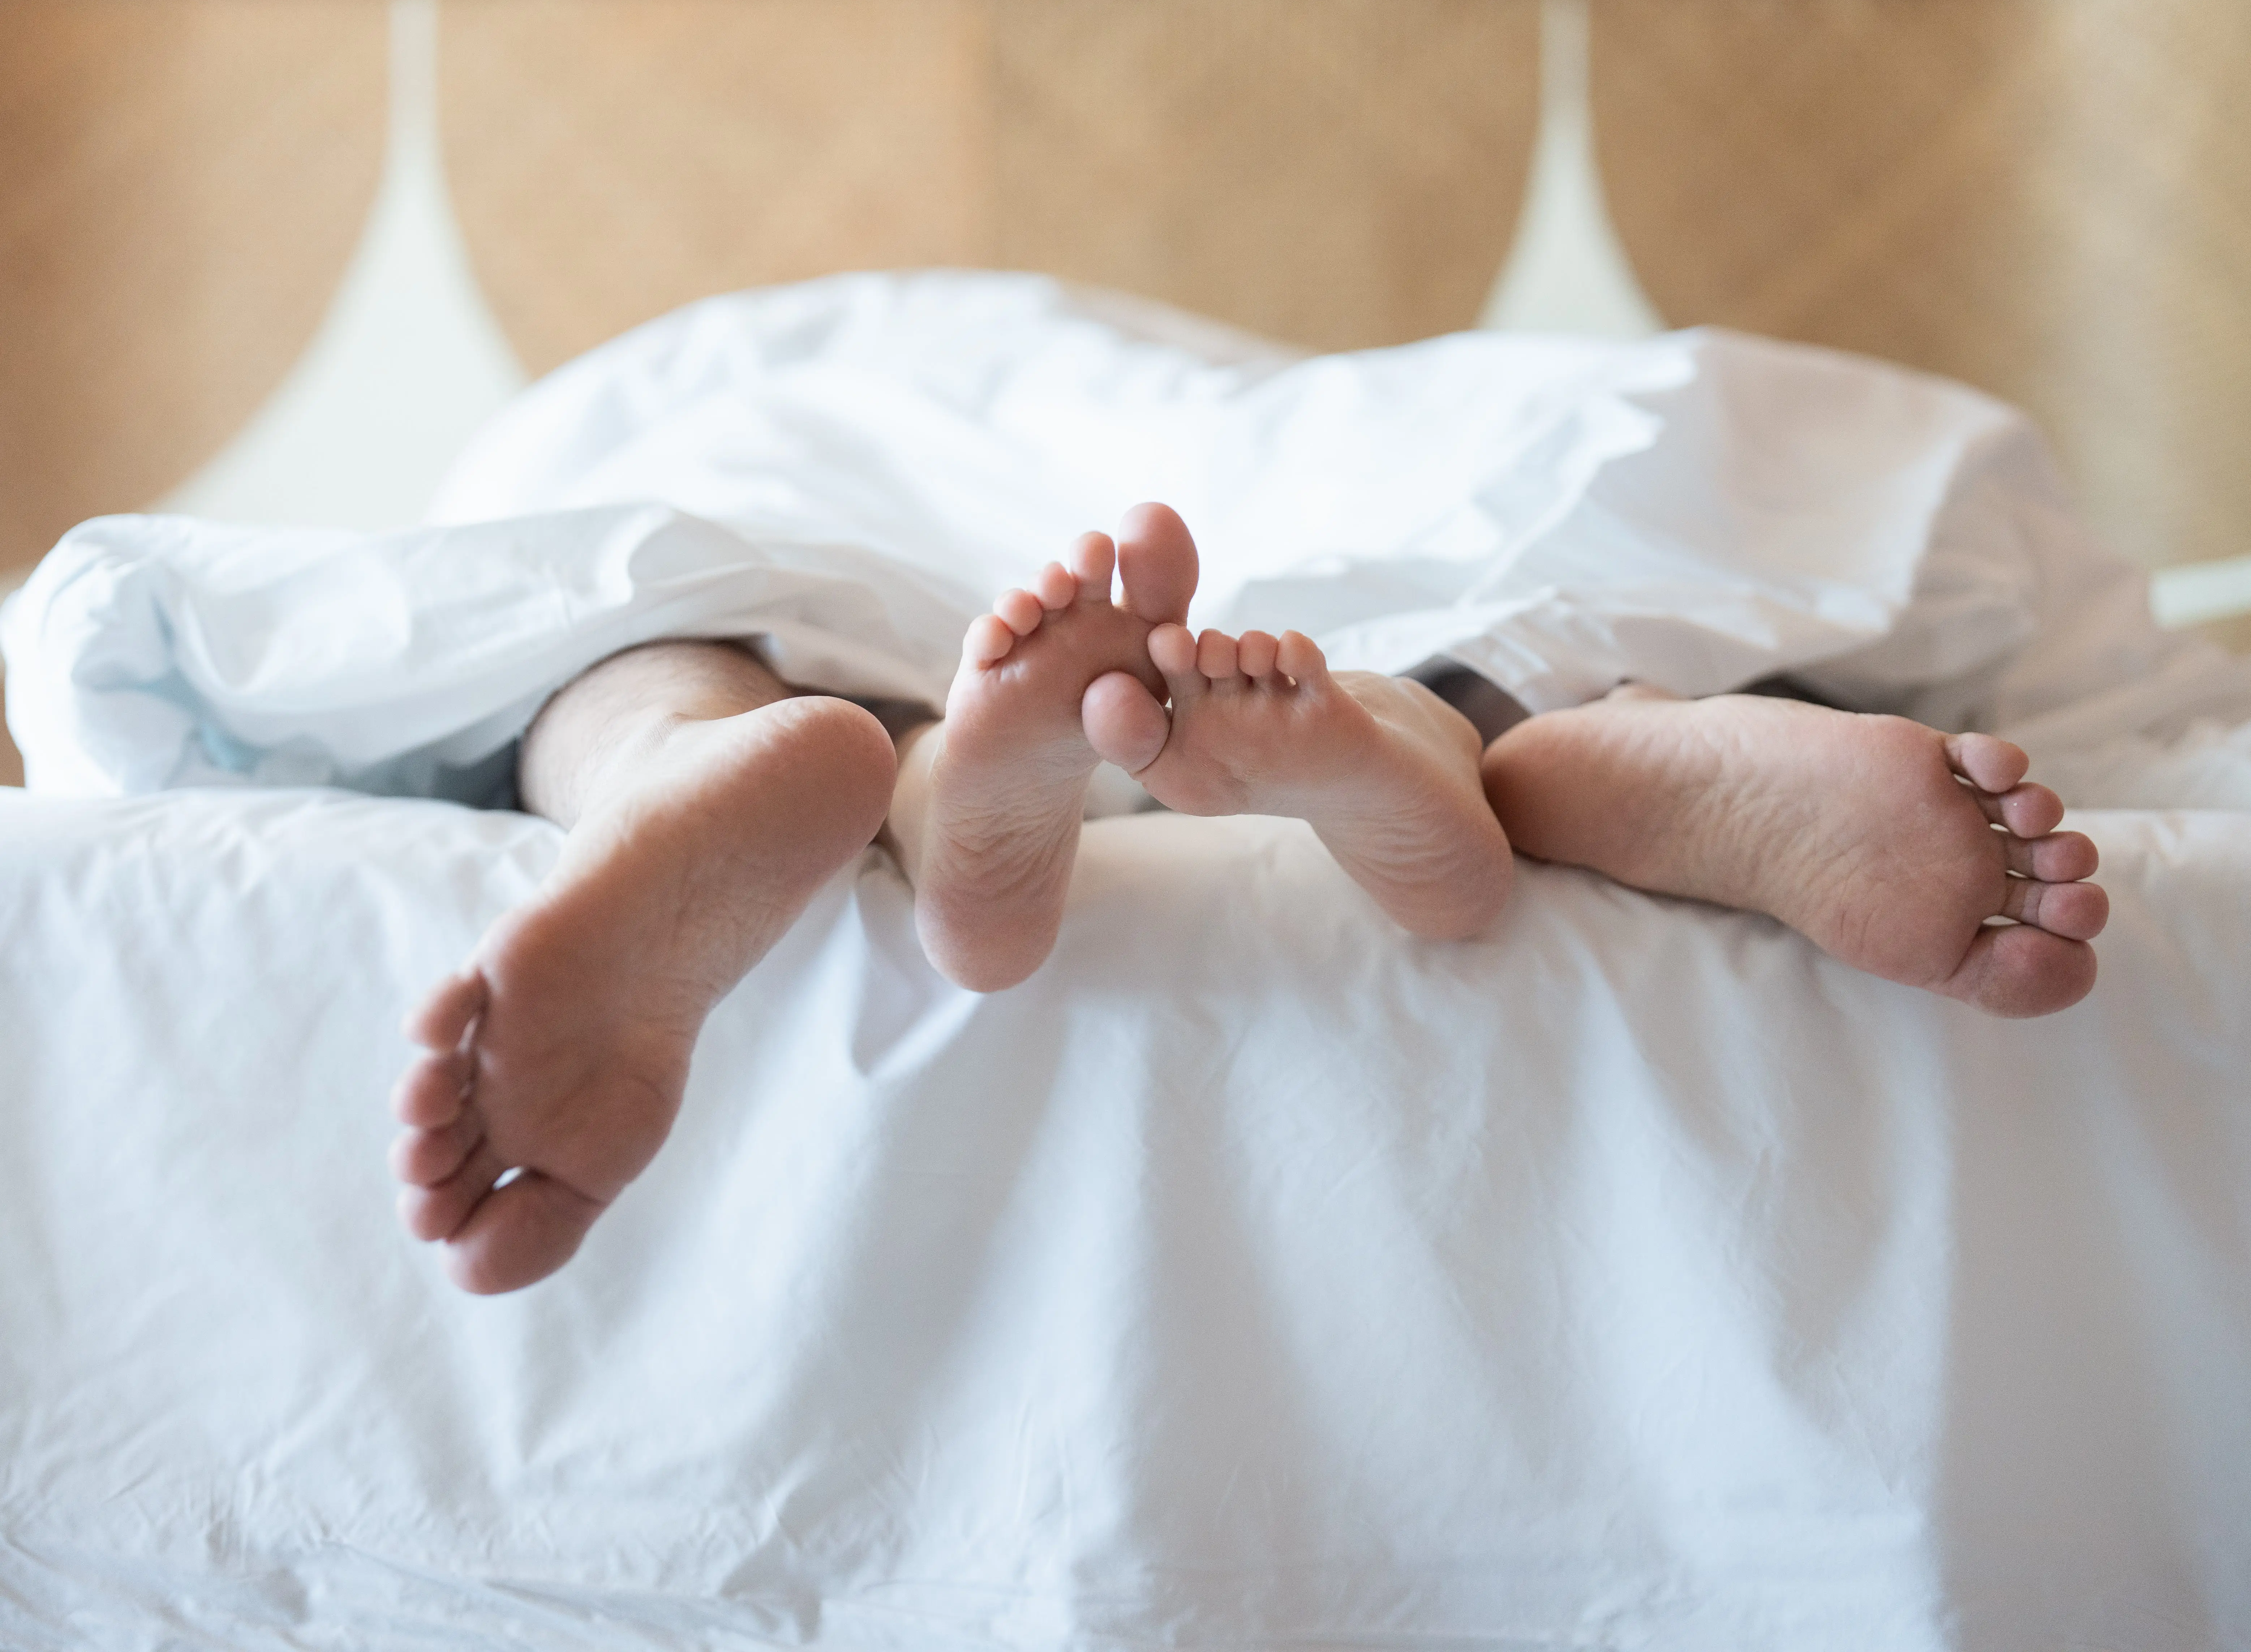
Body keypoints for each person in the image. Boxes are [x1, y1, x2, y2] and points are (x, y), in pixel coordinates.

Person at [388, 501, 2107, 1296]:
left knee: (621, 619)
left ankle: (708, 763)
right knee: (1534, 611)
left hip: (825, 612)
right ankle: (1548, 751)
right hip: (1460, 562)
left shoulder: (734, 400)